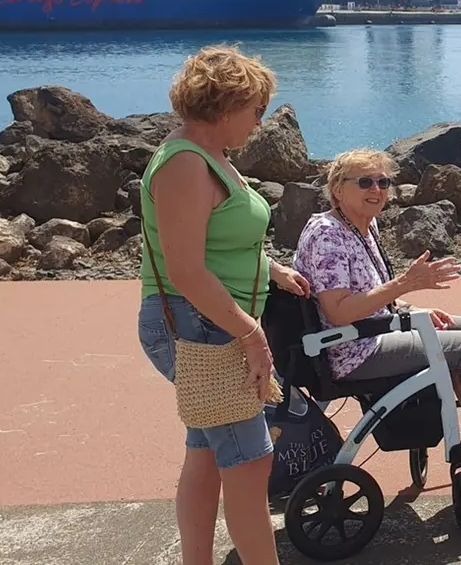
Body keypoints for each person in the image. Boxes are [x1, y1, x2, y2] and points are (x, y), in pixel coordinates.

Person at [137, 44, 312, 565]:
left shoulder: (211, 158)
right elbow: (186, 271)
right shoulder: (185, 163)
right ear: (227, 103)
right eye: (256, 109)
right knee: (249, 462)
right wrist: (251, 335)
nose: (260, 122)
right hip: (203, 324)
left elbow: (221, 241)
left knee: (208, 455)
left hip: (215, 320)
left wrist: (272, 270)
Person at [291, 147, 461, 454]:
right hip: (352, 351)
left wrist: (411, 310)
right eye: (364, 182)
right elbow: (339, 312)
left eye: (383, 182)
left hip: (368, 333)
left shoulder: (362, 226)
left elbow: (369, 294)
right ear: (336, 188)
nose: (376, 190)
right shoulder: (328, 235)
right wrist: (405, 284)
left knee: (459, 326)